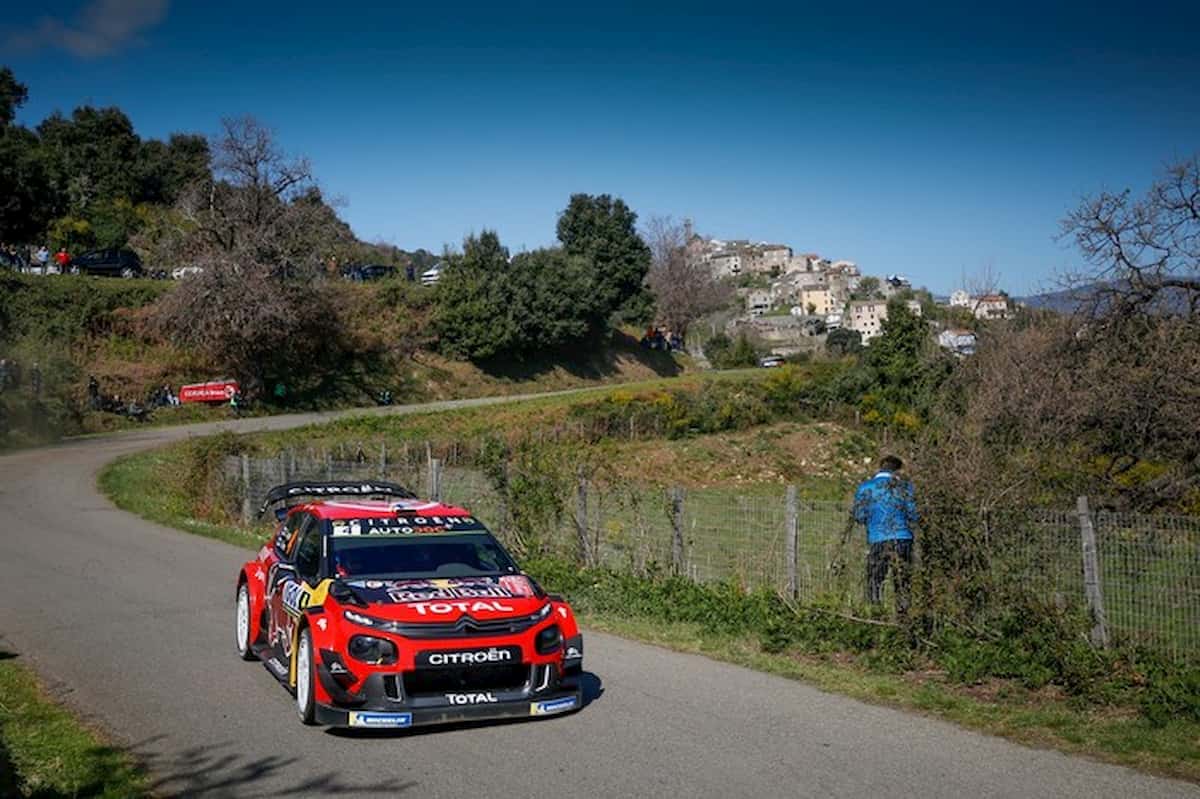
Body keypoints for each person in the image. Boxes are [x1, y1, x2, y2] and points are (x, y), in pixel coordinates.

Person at [853, 455, 918, 613]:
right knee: (903, 583)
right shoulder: (905, 487)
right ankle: (904, 619)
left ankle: (876, 615)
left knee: (875, 581)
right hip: (903, 539)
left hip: (878, 539)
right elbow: (914, 514)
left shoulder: (865, 488)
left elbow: (859, 515)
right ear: (898, 471)